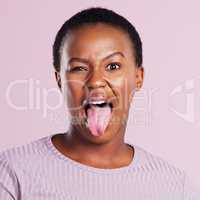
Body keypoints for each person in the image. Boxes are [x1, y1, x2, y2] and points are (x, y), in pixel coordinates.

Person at [0, 7, 199, 200]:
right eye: (78, 68)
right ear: (59, 79)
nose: (95, 81)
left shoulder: (174, 186)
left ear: (138, 77)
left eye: (113, 66)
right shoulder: (13, 172)